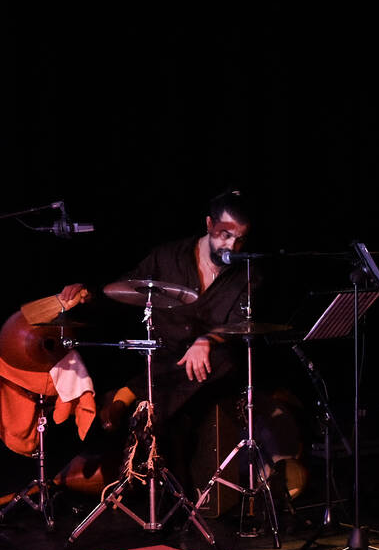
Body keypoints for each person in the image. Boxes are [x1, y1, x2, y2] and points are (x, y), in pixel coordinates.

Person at [59, 190, 268, 493]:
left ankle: (129, 394)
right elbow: (124, 290)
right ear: (209, 224)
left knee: (221, 360)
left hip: (211, 367)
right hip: (163, 359)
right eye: (224, 235)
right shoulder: (167, 257)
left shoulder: (247, 273)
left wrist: (207, 339)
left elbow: (240, 324)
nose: (231, 247)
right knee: (172, 403)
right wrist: (87, 294)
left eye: (239, 240)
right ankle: (144, 413)